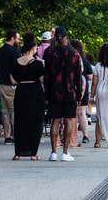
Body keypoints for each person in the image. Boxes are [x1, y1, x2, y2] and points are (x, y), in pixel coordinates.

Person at [43, 26, 83, 162]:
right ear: (66, 37)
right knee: (68, 120)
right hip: (69, 91)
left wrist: (47, 94)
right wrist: (78, 94)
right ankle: (65, 152)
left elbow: (47, 76)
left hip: (54, 92)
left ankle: (53, 151)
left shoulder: (50, 54)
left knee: (55, 120)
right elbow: (78, 77)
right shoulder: (74, 55)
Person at [11, 32, 45, 160]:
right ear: (34, 48)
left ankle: (18, 152)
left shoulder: (16, 62)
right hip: (35, 92)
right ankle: (33, 153)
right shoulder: (37, 64)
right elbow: (42, 80)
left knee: (20, 121)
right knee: (35, 122)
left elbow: (13, 81)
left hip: (21, 91)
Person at [0, 29, 21, 145]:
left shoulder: (0, 51)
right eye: (18, 38)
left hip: (1, 83)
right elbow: (18, 67)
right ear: (12, 38)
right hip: (12, 85)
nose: (19, 41)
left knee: (5, 111)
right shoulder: (15, 51)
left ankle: (7, 136)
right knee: (14, 110)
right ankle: (15, 135)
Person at [70, 39, 93, 145]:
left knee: (72, 113)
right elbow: (90, 76)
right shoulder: (85, 61)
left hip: (71, 87)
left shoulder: (69, 58)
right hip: (83, 87)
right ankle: (85, 135)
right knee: (82, 112)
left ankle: (71, 136)